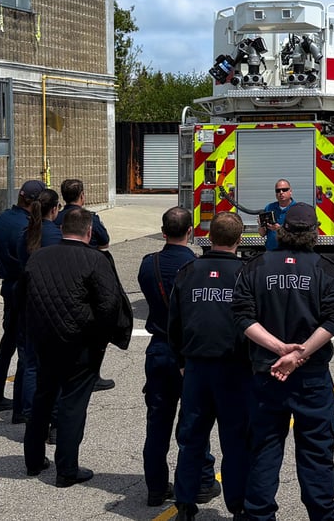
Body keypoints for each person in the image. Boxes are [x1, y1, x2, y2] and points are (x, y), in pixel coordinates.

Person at [233, 202, 334, 521]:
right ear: (314, 232)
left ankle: (259, 516)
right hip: (310, 377)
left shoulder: (255, 266)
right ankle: (322, 516)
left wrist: (279, 349)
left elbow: (242, 316)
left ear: (281, 230)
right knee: (317, 453)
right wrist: (299, 353)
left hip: (267, 374)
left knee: (264, 450)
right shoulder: (327, 269)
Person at [22, 208, 132, 487]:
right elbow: (109, 304)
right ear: (89, 232)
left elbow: (23, 298)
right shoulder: (95, 260)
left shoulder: (38, 258)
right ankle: (66, 469)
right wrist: (102, 340)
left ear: (62, 229)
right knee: (73, 404)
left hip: (45, 342)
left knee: (43, 398)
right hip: (81, 345)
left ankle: (33, 460)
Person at [169, 212, 253, 520]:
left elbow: (174, 323)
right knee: (236, 442)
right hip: (235, 370)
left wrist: (181, 361)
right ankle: (239, 506)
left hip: (197, 369)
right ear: (239, 239)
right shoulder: (246, 273)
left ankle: (185, 505)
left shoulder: (188, 271)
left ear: (209, 236)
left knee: (191, 439)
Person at [137, 207, 219, 508]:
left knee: (157, 423)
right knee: (195, 421)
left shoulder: (149, 265)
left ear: (163, 232)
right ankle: (201, 481)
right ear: (190, 232)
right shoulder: (196, 268)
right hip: (188, 353)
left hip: (158, 349)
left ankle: (155, 487)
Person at [0, 180, 55, 417]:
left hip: (8, 287)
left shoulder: (3, 219)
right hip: (22, 289)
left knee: (8, 344)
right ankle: (22, 407)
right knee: (27, 352)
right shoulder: (27, 228)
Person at [55, 178, 115, 392]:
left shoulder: (56, 217)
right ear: (82, 196)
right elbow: (105, 241)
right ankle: (91, 374)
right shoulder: (88, 218)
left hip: (59, 277)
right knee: (93, 328)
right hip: (86, 276)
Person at [257, 179, 295, 251]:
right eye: (278, 190)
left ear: (290, 191)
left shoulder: (297, 209)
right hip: (271, 251)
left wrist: (279, 229)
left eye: (284, 190)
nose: (281, 192)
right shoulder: (269, 207)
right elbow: (262, 234)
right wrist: (260, 225)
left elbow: (300, 235)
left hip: (290, 252)